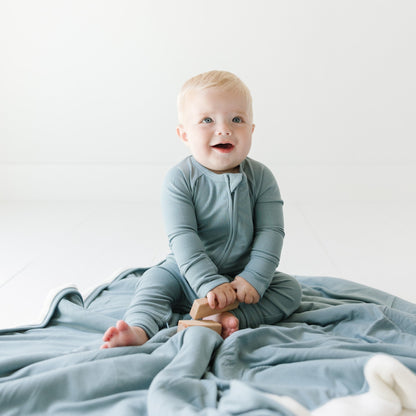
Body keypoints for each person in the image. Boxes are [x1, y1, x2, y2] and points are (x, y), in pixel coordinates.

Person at [101, 70, 302, 348]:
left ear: (252, 130)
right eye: (207, 120)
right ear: (184, 134)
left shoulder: (262, 177)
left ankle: (229, 318)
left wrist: (253, 278)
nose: (224, 129)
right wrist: (208, 283)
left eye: (237, 119)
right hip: (183, 274)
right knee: (153, 282)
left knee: (289, 290)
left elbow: (271, 231)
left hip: (238, 280)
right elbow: (183, 237)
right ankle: (139, 330)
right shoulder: (179, 179)